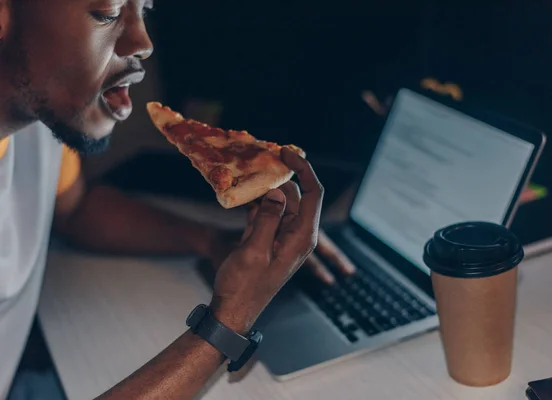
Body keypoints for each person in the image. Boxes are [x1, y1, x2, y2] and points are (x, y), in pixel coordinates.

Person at [0, 0, 355, 398]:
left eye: (144, 11)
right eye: (108, 12)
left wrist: (212, 242)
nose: (143, 42)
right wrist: (228, 323)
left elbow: (76, 209)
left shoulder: (38, 119)